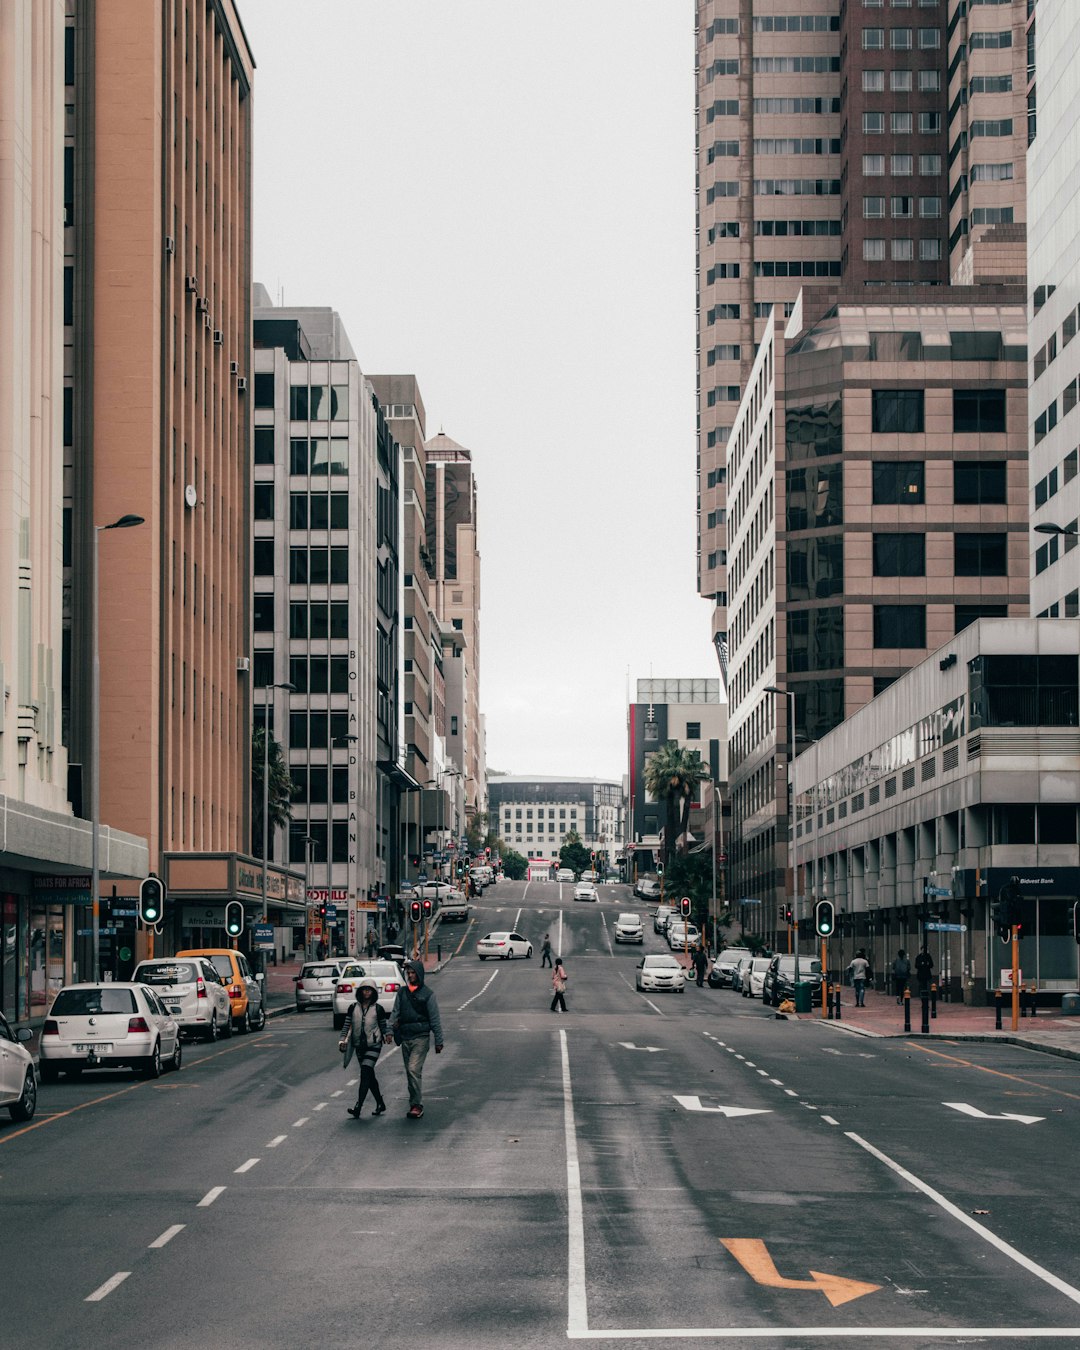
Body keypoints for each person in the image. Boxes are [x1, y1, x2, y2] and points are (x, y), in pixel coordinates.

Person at [391, 960, 444, 1120]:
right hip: (405, 1037)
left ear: (419, 974)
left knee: (414, 1069)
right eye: (408, 973)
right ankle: (413, 1102)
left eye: (413, 972)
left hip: (421, 1037)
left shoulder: (428, 994)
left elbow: (435, 1019)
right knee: (410, 1072)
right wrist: (389, 1030)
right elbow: (395, 1013)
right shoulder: (402, 993)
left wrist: (439, 1040)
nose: (410, 975)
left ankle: (416, 1105)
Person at [338, 980, 389, 1119]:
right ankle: (380, 1103)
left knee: (365, 1072)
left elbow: (384, 1027)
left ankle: (358, 1107)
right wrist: (342, 1040)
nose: (367, 992)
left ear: (373, 992)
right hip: (359, 1047)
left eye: (369, 990)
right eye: (364, 989)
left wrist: (388, 1035)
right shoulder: (353, 1008)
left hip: (374, 1045)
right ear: (360, 991)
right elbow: (346, 1026)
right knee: (369, 1076)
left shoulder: (378, 1009)